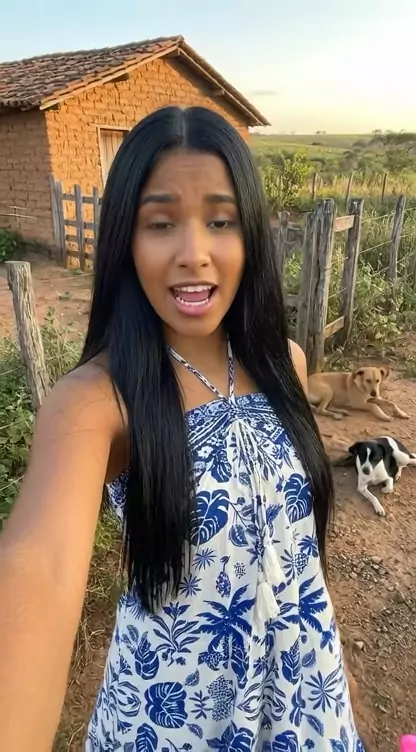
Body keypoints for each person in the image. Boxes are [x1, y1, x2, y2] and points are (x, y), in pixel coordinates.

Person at [0, 105, 364, 751]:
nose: (194, 254)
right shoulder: (97, 401)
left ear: (250, 236)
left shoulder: (286, 363)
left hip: (306, 698)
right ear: (126, 240)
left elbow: (293, 543)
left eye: (220, 221)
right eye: (161, 223)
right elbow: (40, 568)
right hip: (174, 717)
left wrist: (327, 664)